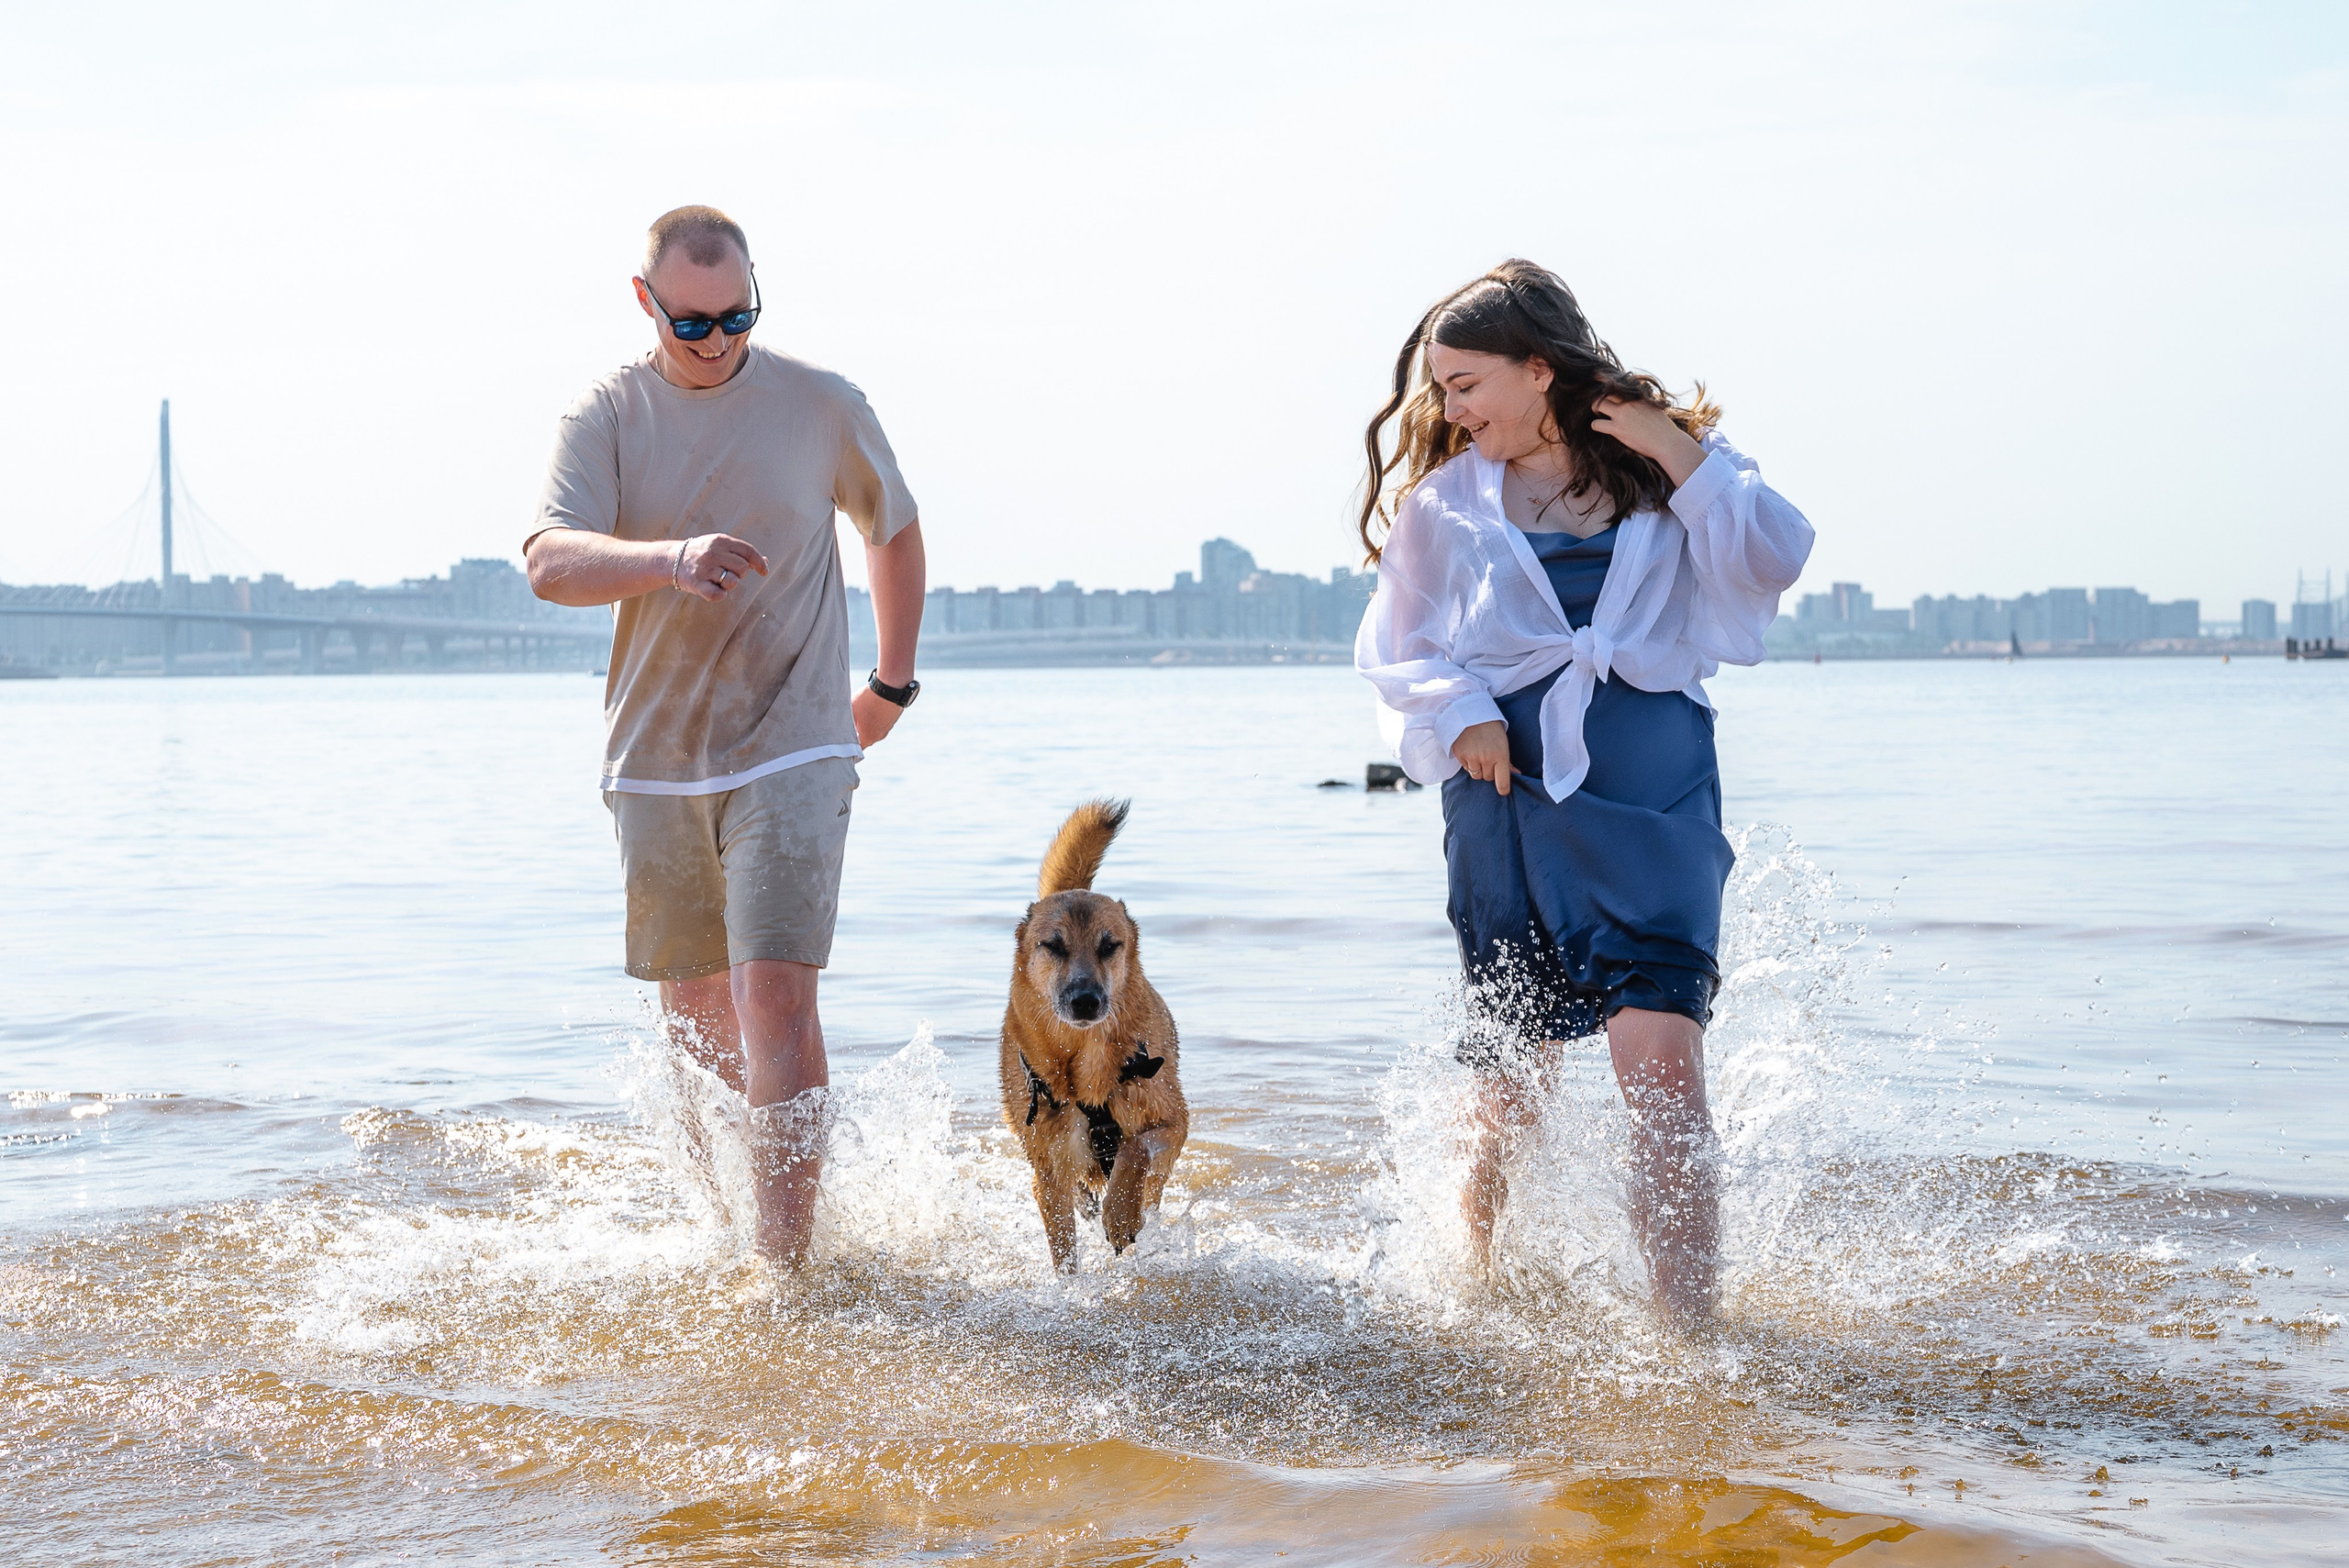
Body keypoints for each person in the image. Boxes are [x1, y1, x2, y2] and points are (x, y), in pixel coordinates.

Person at [1353, 260, 1813, 1319]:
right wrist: (1458, 708)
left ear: (1536, 368)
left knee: (1663, 1063)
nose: (1448, 408)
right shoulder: (1443, 504)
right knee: (1510, 1082)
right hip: (1504, 793)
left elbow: (1773, 556)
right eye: (1440, 387)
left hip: (1654, 788)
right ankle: (1475, 1294)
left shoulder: (1673, 466)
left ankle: (1687, 1334)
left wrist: (1673, 449)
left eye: (1465, 383)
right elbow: (1397, 647)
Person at [523, 206, 927, 1266]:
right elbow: (549, 563)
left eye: (737, 316)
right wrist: (670, 558)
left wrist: (890, 685)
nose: (717, 341)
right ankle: (725, 1229)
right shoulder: (607, 414)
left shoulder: (821, 403)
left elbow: (892, 528)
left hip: (795, 741)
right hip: (656, 762)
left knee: (774, 992)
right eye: (692, 322)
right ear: (645, 302)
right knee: (696, 1007)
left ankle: (781, 1268)